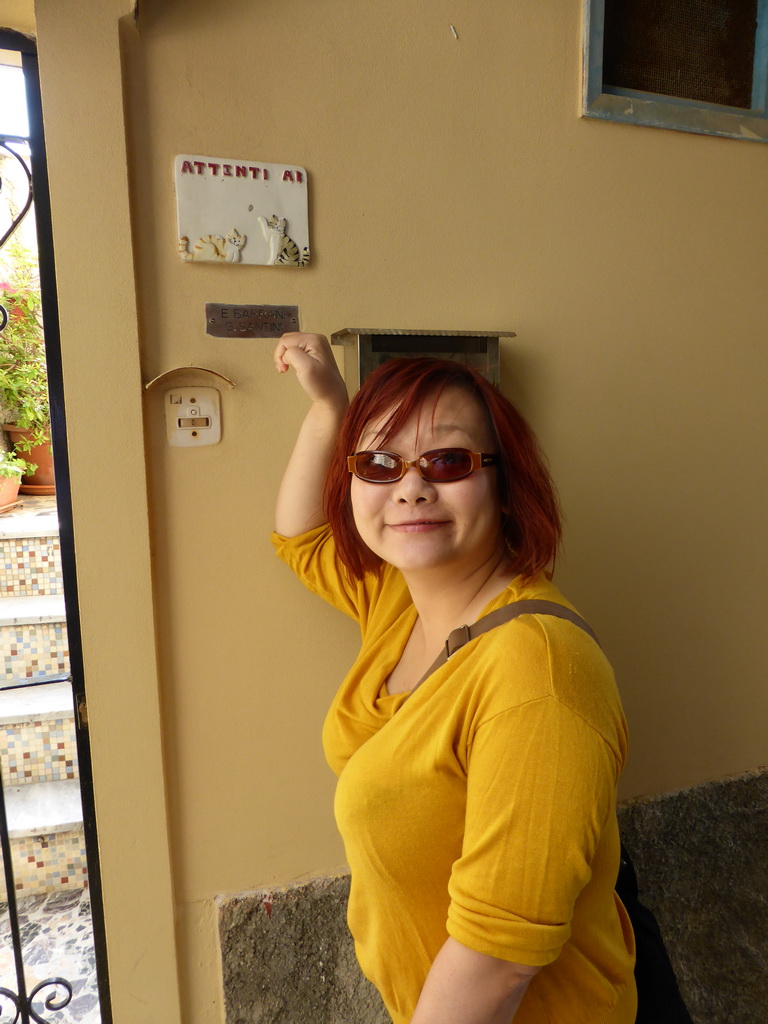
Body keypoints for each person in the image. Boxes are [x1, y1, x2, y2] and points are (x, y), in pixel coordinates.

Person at [272, 332, 637, 1024]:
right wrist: (328, 408)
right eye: (379, 464)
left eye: (446, 460)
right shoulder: (399, 599)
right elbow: (301, 538)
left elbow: (495, 963)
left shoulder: (538, 670)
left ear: (504, 485)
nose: (410, 487)